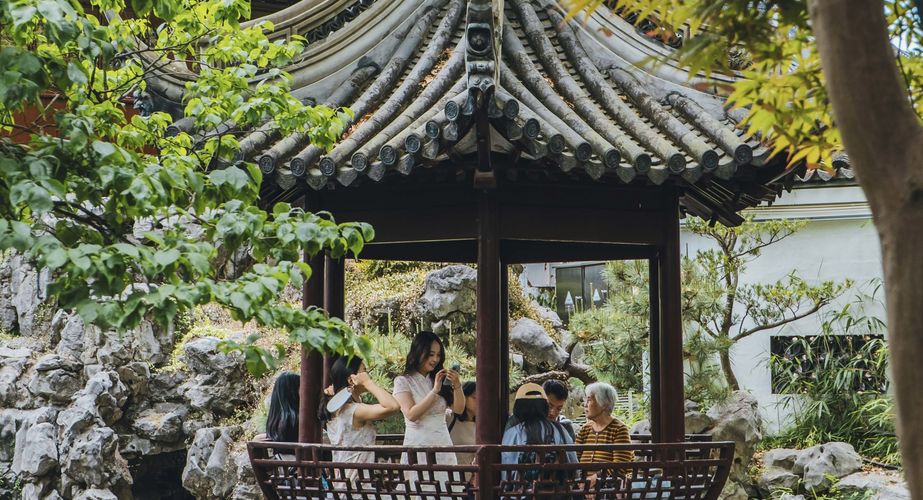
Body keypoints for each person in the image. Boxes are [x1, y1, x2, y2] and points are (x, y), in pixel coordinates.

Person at [393, 331, 464, 482]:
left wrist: (457, 385)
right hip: (418, 445)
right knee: (420, 488)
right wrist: (434, 391)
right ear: (419, 351)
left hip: (443, 444)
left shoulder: (437, 378)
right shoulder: (403, 381)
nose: (435, 359)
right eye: (431, 354)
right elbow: (411, 414)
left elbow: (458, 409)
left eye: (438, 355)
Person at [319, 356, 400, 483]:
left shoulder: (338, 408)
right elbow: (393, 406)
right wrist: (368, 384)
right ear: (351, 380)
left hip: (343, 481)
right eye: (364, 371)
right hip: (357, 484)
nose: (367, 375)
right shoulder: (355, 411)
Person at [501, 383, 578, 483]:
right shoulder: (560, 430)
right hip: (556, 492)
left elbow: (506, 469)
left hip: (522, 493)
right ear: (544, 405)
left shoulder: (513, 432)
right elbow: (573, 463)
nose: (553, 412)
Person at [574, 382, 633, 482]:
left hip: (608, 486)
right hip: (583, 484)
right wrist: (583, 482)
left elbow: (620, 467)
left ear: (604, 404)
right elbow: (575, 459)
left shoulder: (619, 429)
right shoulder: (585, 429)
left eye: (589, 400)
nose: (585, 405)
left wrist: (595, 480)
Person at [447, 381, 476, 466]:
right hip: (448, 472)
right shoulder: (449, 418)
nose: (480, 402)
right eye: (475, 398)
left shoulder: (482, 426)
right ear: (464, 397)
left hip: (469, 476)